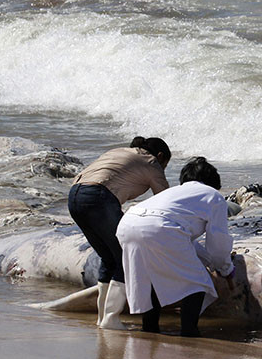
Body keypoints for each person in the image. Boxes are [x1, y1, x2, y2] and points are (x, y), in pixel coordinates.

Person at [116, 157, 234, 337]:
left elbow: (186, 243)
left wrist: (210, 261)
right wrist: (225, 269)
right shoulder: (213, 196)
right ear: (213, 181)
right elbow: (218, 241)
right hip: (160, 228)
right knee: (197, 282)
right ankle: (189, 331)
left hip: (128, 224)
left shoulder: (174, 193)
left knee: (150, 278)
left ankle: (150, 329)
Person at [68, 136, 171, 330]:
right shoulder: (152, 162)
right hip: (98, 197)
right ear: (160, 156)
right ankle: (111, 319)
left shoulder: (119, 151)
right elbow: (166, 200)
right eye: (165, 165)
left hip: (75, 196)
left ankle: (103, 318)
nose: (162, 170)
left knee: (109, 258)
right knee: (125, 257)